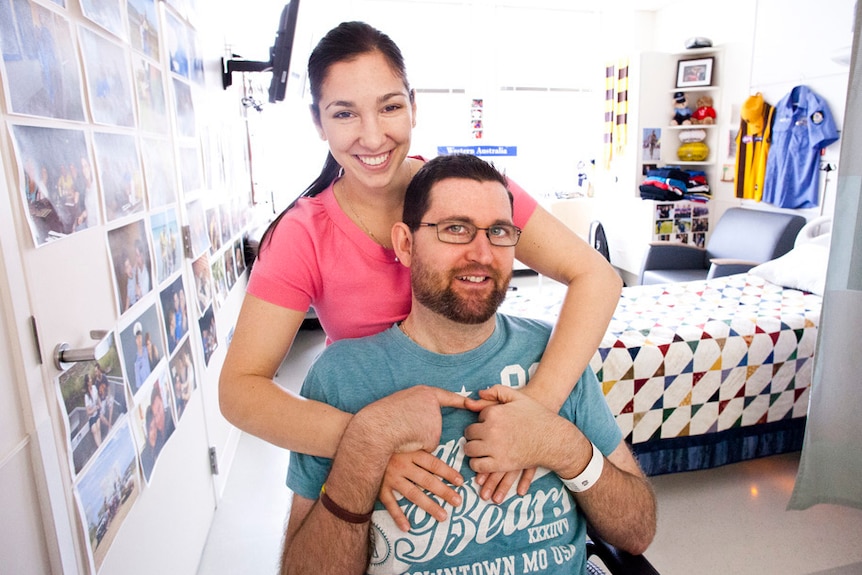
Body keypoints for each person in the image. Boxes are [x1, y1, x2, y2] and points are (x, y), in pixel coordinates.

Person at [219, 21, 622, 524]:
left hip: (481, 431)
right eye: (344, 113)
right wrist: (367, 445)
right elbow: (239, 390)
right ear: (318, 122)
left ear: (413, 104)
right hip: (374, 443)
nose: (373, 135)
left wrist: (537, 406)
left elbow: (597, 277)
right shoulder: (303, 235)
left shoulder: (470, 190)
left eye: (390, 107)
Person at [280, 155, 655, 574]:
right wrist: (367, 442)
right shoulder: (342, 378)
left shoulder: (554, 356)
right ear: (406, 244)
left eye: (498, 231)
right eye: (454, 229)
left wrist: (565, 448)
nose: (482, 254)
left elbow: (637, 532)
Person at [133, 322, 151, 390]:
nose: (140, 340)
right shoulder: (136, 364)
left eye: (140, 337)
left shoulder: (147, 350)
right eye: (138, 338)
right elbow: (139, 385)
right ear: (136, 341)